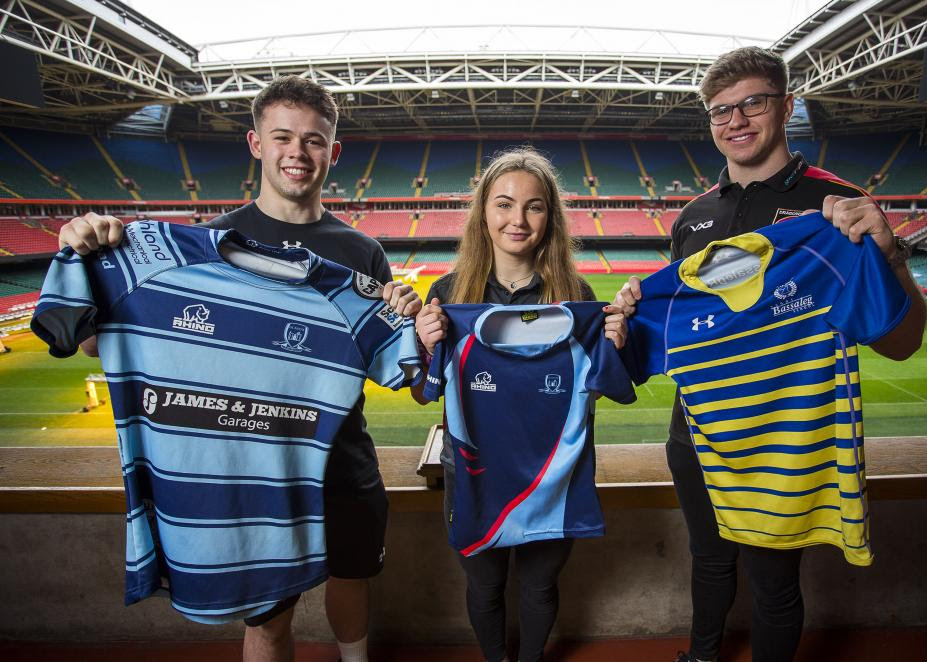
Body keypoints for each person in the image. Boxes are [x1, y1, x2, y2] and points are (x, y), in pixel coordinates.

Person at [56, 75, 420, 662]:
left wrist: (405, 314)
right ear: (255, 143)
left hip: (343, 462)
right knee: (268, 622)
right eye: (283, 137)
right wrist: (86, 250)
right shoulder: (202, 247)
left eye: (314, 140)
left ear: (333, 152)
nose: (298, 153)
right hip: (253, 476)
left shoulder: (362, 252)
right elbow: (98, 343)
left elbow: (387, 357)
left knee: (352, 585)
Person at [615, 47, 927, 662]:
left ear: (786, 107)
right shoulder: (693, 217)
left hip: (786, 437)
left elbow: (902, 342)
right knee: (708, 559)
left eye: (752, 103)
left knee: (774, 581)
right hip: (696, 430)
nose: (735, 120)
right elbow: (676, 330)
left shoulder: (837, 207)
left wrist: (890, 256)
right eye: (720, 110)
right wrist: (631, 314)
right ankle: (701, 656)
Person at [411, 147, 626, 662]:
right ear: (483, 212)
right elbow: (424, 391)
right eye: (504, 204)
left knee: (540, 585)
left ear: (550, 217)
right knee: (484, 584)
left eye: (534, 206)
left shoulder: (576, 294)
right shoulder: (447, 292)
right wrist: (425, 345)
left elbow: (598, 388)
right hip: (473, 471)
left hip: (553, 472)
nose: (518, 220)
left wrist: (614, 348)